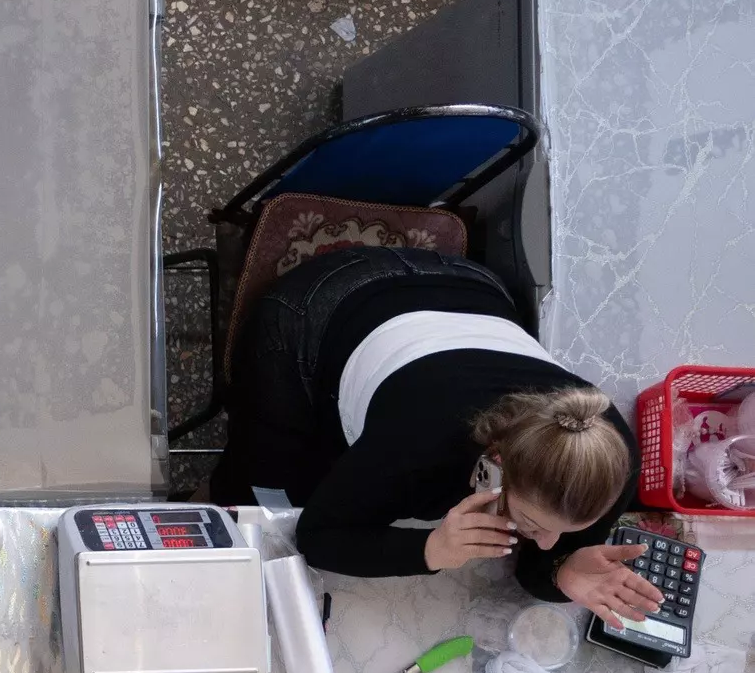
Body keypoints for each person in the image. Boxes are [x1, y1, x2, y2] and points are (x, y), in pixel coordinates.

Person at [209, 245, 662, 628]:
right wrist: (430, 549)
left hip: (472, 285)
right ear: (494, 464)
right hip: (325, 303)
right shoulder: (419, 443)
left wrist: (563, 567)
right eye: (534, 526)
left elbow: (542, 562)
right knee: (269, 496)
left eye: (559, 534)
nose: (543, 542)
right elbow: (318, 536)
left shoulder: (608, 456)